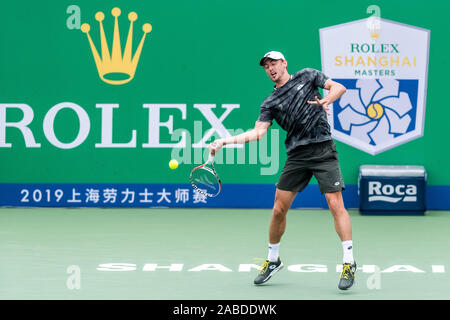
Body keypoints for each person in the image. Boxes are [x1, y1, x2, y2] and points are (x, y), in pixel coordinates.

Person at [208, 51, 356, 290]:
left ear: (284, 63)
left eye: (274, 63)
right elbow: (257, 133)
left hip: (322, 149)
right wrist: (224, 142)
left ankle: (349, 262)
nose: (270, 68)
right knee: (278, 208)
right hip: (297, 155)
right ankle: (273, 259)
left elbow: (338, 87)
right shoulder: (270, 102)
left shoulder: (307, 75)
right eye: (266, 66)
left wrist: (328, 99)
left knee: (335, 203)